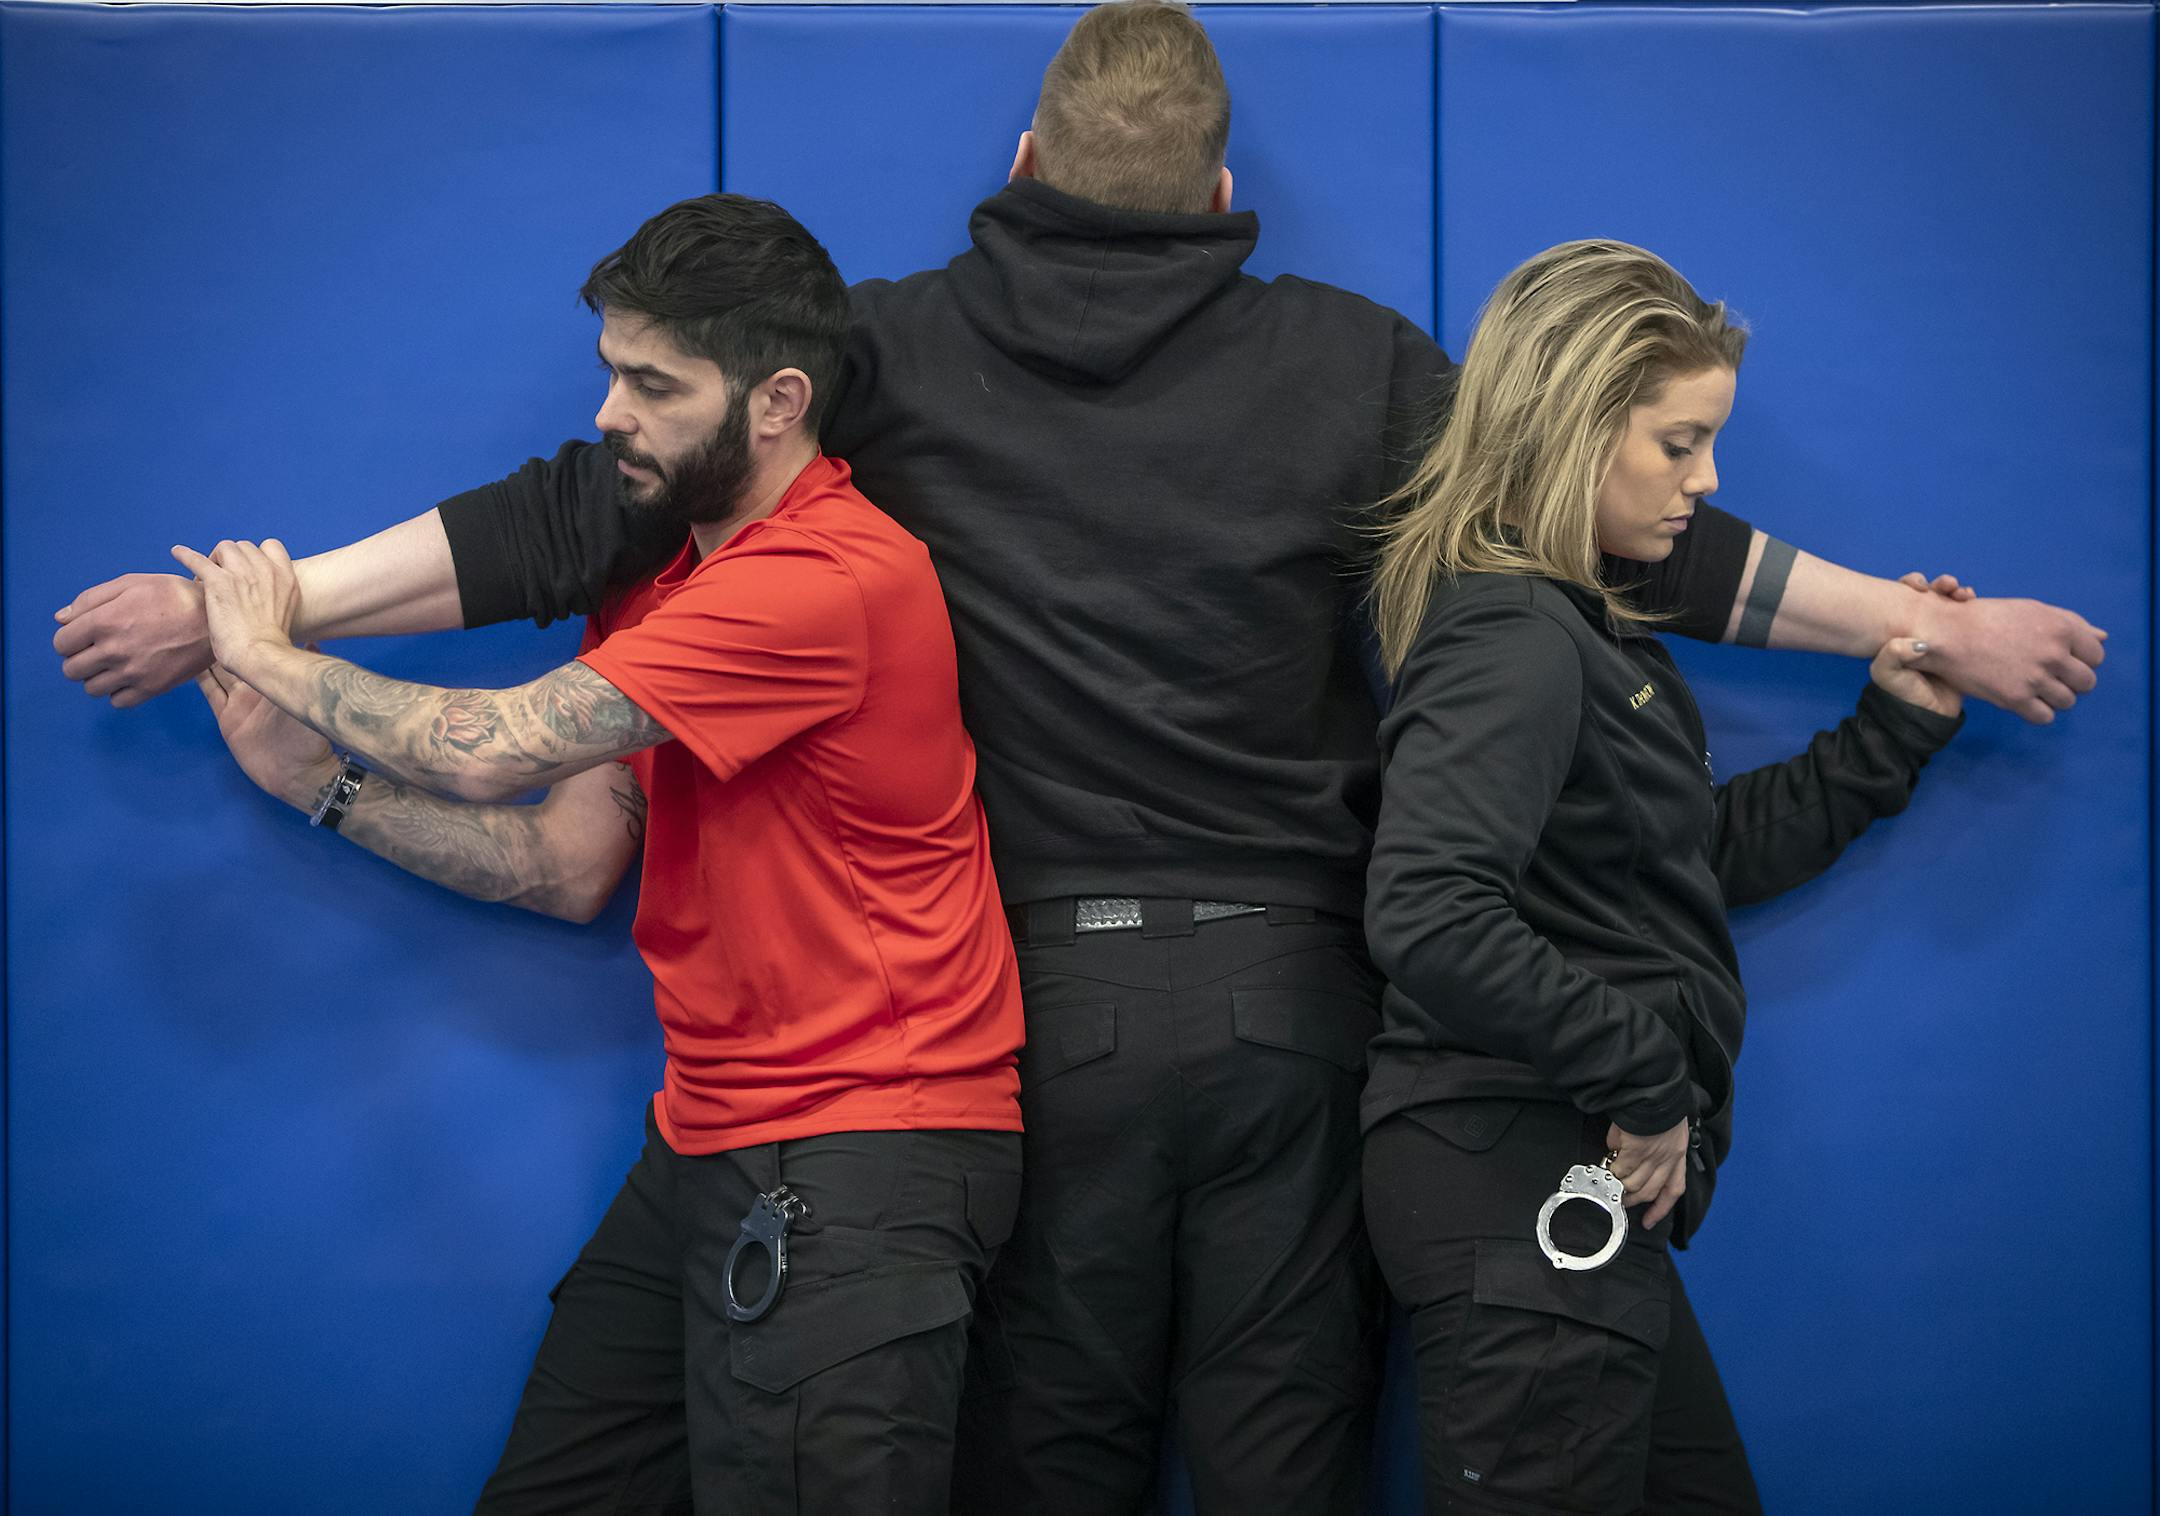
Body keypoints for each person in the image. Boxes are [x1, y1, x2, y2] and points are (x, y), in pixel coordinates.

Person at [51, 4, 2103, 1511]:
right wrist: (1917, 622)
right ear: (1225, 197)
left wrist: (269, 603)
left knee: (1052, 1463)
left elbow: (578, 509)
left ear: (1023, 159)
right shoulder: (1359, 365)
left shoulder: (882, 352)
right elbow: (1600, 503)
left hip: (1027, 1022)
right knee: (1282, 1462)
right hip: (1305, 1003)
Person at [176, 193, 1025, 1515]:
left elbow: (491, 742)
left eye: (652, 382)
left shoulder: (828, 579)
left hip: (864, 1151)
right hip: (713, 1142)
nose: (612, 413)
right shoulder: (672, 588)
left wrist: (262, 646)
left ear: (777, 400)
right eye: (610, 374)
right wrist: (317, 783)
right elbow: (564, 865)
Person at [1360, 239, 1969, 1515]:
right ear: (1575, 430)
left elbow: (1678, 860)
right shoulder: (1513, 637)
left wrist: (1891, 729)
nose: (1706, 481)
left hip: (1560, 1196)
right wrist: (1645, 1077)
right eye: (1677, 444)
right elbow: (1424, 908)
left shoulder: (1571, 628)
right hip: (1523, 1178)